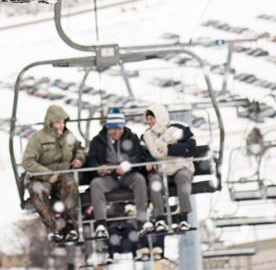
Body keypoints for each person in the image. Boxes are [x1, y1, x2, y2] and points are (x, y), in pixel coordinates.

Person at [83, 107, 157, 240]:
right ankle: (101, 223)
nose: (117, 132)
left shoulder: (132, 137)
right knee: (96, 184)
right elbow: (91, 159)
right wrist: (99, 168)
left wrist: (128, 164)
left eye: (120, 129)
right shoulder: (98, 140)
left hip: (128, 176)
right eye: (114, 129)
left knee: (139, 180)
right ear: (108, 128)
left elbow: (138, 155)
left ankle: (142, 220)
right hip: (108, 177)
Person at [21, 104, 86, 242]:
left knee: (69, 184)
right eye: (58, 122)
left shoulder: (69, 136)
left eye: (63, 122)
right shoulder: (38, 139)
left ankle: (70, 226)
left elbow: (79, 148)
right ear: (50, 123)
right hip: (42, 178)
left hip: (62, 176)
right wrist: (47, 174)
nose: (61, 125)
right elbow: (27, 161)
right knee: (37, 190)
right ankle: (52, 228)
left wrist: (79, 158)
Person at [140, 103, 198, 241]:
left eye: (152, 119)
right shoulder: (146, 136)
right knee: (154, 182)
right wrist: (149, 161)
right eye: (148, 119)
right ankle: (159, 217)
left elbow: (191, 147)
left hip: (180, 167)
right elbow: (144, 152)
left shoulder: (178, 128)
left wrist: (171, 150)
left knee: (183, 178)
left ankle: (183, 215)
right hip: (161, 170)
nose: (150, 122)